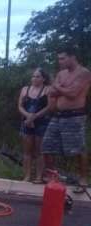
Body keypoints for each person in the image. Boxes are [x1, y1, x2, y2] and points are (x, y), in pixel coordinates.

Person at [43, 47, 91, 193]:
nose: (60, 61)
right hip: (58, 116)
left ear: (72, 57)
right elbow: (51, 92)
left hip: (75, 116)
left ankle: (83, 179)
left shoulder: (84, 73)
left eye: (62, 58)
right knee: (47, 146)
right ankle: (53, 177)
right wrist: (60, 88)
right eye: (59, 59)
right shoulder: (61, 73)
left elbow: (73, 94)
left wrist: (58, 86)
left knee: (77, 149)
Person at [17, 68, 53, 183]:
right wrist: (28, 116)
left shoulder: (47, 90)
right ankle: (27, 176)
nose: (34, 79)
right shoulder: (25, 90)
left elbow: (49, 107)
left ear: (43, 78)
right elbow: (20, 106)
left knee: (39, 151)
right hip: (27, 122)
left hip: (41, 123)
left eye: (37, 76)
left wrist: (34, 116)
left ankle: (38, 177)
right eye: (33, 76)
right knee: (27, 151)